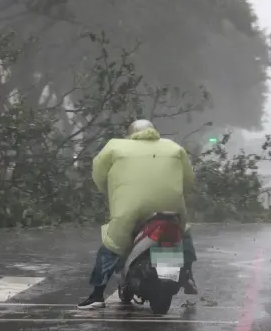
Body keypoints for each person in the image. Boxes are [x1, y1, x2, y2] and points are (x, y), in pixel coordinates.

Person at [77, 119, 198, 310]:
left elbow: (98, 174)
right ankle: (188, 276)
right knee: (183, 234)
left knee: (111, 246)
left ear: (131, 133)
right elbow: (189, 181)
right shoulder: (174, 147)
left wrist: (109, 191)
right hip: (172, 207)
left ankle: (97, 295)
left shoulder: (115, 146)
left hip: (130, 209)